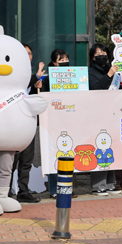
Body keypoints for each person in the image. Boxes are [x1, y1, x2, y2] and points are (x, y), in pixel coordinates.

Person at [10, 43, 44, 203]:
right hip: (15, 125)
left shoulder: (31, 75)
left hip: (29, 123)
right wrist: (35, 78)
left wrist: (38, 85)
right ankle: (5, 192)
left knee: (26, 160)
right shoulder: (13, 74)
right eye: (24, 53)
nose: (28, 56)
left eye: (30, 53)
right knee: (11, 161)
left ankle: (23, 191)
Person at [88, 44, 122, 196]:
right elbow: (96, 89)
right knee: (99, 147)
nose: (101, 54)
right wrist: (108, 74)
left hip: (112, 114)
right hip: (97, 115)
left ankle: (110, 183)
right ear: (92, 57)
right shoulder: (90, 72)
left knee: (110, 148)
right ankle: (98, 185)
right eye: (98, 53)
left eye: (103, 52)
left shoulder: (115, 71)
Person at [41, 48, 69, 198]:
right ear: (54, 63)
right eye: (61, 60)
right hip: (52, 123)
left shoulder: (74, 77)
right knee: (53, 155)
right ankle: (54, 189)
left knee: (69, 153)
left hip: (68, 120)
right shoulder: (46, 80)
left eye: (66, 60)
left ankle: (68, 187)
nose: (65, 63)